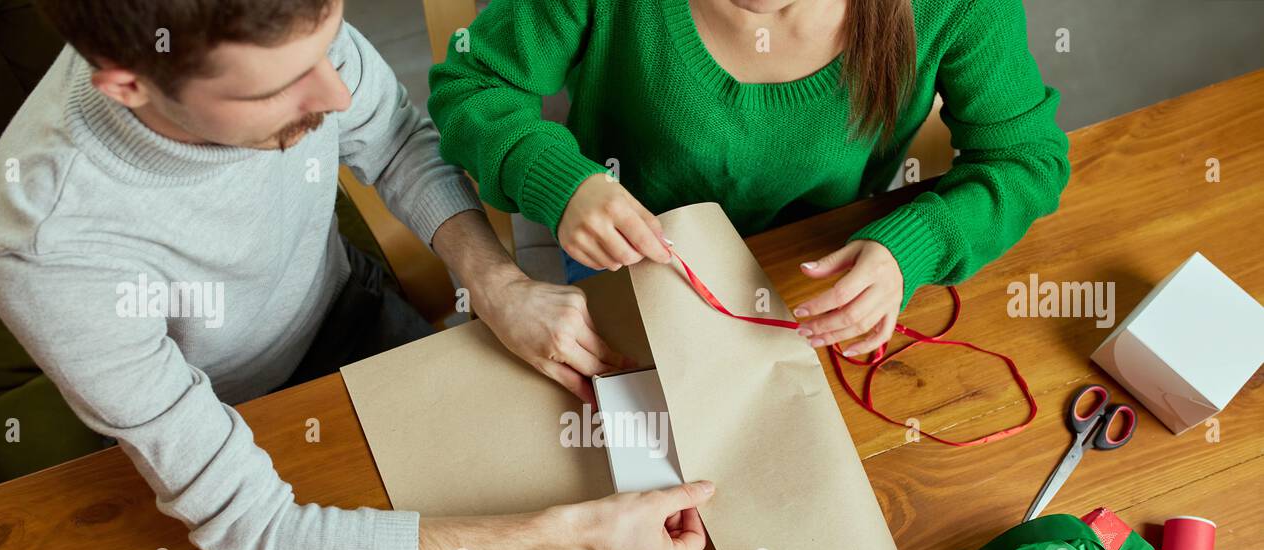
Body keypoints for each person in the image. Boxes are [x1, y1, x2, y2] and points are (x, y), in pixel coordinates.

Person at [0, 0, 713, 550]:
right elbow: (265, 538)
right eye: (277, 89)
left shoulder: (278, 36)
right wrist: (571, 536)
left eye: (331, 41)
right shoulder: (52, 252)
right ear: (128, 85)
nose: (334, 95)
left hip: (346, 307)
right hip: (217, 414)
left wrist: (496, 283)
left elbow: (394, 141)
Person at [429, 0, 1070, 355]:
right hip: (622, 254)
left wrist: (918, 244)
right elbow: (474, 83)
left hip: (821, 278)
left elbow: (1026, 161)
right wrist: (558, 178)